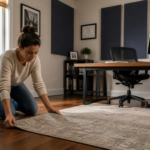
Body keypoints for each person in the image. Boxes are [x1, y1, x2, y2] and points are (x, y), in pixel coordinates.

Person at [0, 25, 60, 128]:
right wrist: (8, 113)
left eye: (36, 53)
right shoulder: (7, 57)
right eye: (29, 52)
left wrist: (49, 107)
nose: (33, 56)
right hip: (1, 85)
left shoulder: (35, 59)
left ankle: (11, 102)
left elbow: (38, 83)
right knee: (8, 113)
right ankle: (9, 104)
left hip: (16, 84)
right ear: (20, 47)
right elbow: (4, 85)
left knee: (32, 110)